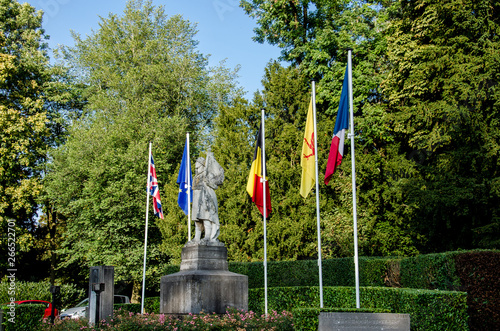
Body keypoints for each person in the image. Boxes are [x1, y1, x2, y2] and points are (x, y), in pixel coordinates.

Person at [191, 151, 224, 242]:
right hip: (196, 201)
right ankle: (197, 237)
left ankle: (207, 236)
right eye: (196, 168)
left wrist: (208, 180)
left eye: (199, 167)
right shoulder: (195, 177)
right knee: (197, 220)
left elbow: (215, 184)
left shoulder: (207, 175)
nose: (197, 169)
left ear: (203, 166)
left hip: (205, 199)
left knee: (206, 218)